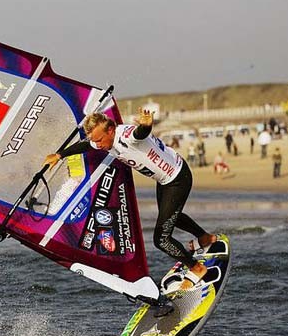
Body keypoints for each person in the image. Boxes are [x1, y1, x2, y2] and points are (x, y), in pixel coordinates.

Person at [43, 108, 216, 316]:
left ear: (110, 130)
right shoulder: (103, 138)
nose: (97, 145)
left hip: (177, 179)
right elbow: (85, 145)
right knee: (172, 216)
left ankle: (197, 268)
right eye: (94, 141)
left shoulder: (125, 136)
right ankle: (204, 238)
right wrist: (60, 155)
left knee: (161, 239)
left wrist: (146, 125)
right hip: (166, 179)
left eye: (99, 140)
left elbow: (139, 133)